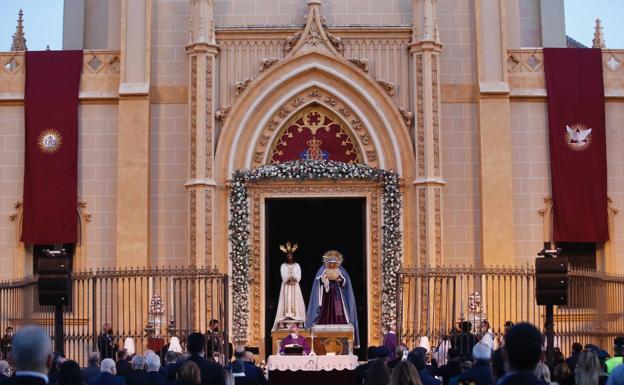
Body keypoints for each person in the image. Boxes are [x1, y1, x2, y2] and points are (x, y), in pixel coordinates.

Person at [305, 250, 360, 347]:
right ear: (327, 263)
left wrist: (340, 280)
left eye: (334, 264)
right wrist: (324, 278)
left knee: (338, 310)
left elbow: (345, 282)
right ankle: (323, 320)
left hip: (337, 294)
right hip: (326, 296)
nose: (332, 265)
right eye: (330, 263)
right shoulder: (323, 270)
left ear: (337, 263)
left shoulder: (340, 271)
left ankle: (339, 321)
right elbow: (318, 280)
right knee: (325, 309)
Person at [273, 242, 307, 330]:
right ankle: (287, 315)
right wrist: (288, 278)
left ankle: (296, 315)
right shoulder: (283, 266)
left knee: (295, 300)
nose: (289, 257)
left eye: (291, 255)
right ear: (286, 256)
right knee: (286, 299)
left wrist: (294, 278)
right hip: (286, 286)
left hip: (295, 286)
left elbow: (298, 275)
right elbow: (283, 275)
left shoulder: (297, 265)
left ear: (293, 256)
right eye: (288, 255)